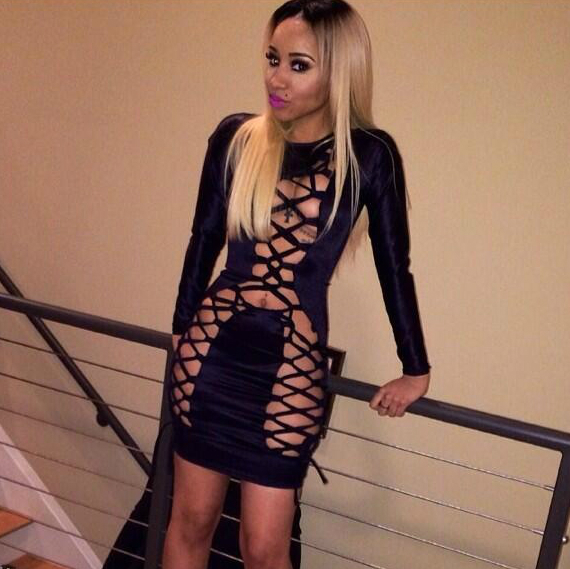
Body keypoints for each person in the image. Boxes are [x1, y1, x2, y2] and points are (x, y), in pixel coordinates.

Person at [163, 0, 431, 568]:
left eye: (298, 65)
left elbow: (394, 266)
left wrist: (415, 368)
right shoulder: (236, 138)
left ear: (339, 73)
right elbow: (203, 238)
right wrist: (181, 327)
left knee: (263, 548)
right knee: (191, 521)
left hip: (291, 362)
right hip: (211, 354)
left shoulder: (370, 156)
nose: (277, 78)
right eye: (272, 58)